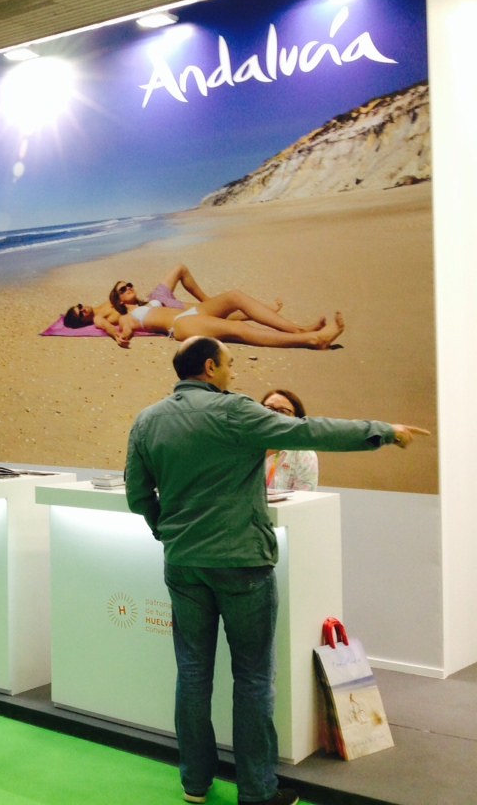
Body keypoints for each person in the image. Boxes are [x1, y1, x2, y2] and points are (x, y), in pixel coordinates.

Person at [125, 336, 428, 805]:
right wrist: (382, 431)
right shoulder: (235, 412)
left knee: (191, 673)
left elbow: (138, 495)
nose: (233, 372)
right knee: (251, 678)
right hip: (243, 561)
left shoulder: (147, 420)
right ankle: (257, 789)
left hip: (183, 564)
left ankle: (195, 782)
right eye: (229, 363)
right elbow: (311, 432)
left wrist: (166, 532)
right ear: (209, 367)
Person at [64, 293, 344, 351]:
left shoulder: (128, 305)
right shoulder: (120, 322)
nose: (83, 308)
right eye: (80, 313)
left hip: (193, 313)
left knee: (236, 297)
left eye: (80, 305)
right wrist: (114, 334)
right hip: (183, 327)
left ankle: (298, 329)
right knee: (238, 330)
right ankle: (312, 340)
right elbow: (107, 327)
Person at [260, 389, 319, 491]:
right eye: (268, 409)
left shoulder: (304, 454)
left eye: (283, 411)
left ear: (297, 419)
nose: (273, 415)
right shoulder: (244, 446)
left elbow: (302, 501)